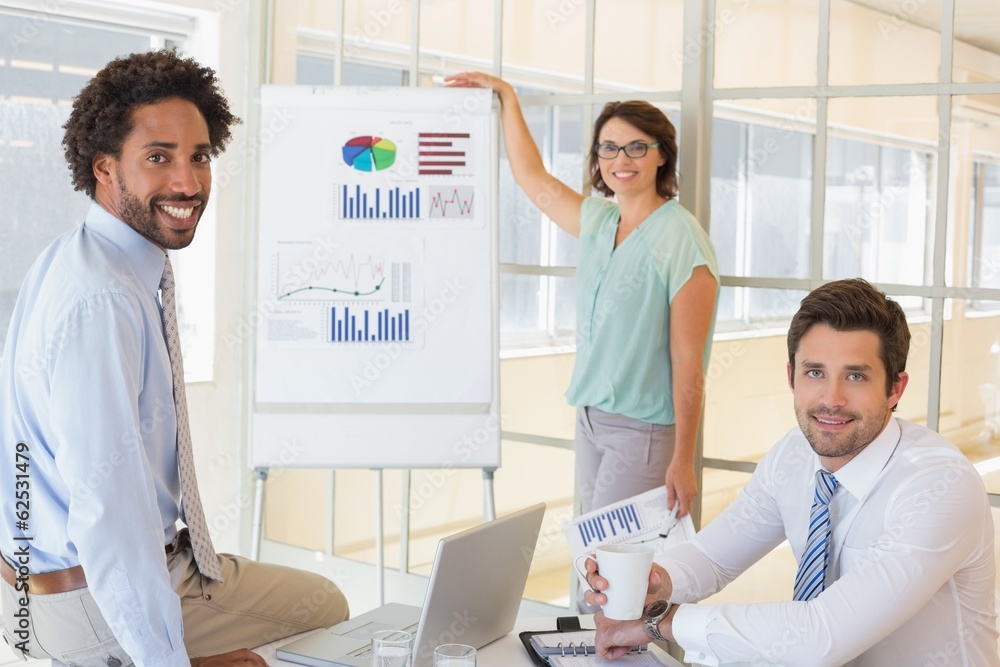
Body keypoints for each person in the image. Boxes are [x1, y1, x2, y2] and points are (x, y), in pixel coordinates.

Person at [0, 50, 348, 666]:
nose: (187, 183)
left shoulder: (78, 257)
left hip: (36, 584)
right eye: (158, 157)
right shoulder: (102, 300)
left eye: (199, 156)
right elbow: (109, 511)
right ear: (104, 168)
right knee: (321, 608)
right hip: (85, 604)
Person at [584, 278, 999, 666]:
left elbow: (821, 634)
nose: (831, 399)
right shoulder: (794, 456)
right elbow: (713, 557)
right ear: (791, 377)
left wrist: (657, 623)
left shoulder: (937, 487)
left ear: (895, 389)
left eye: (855, 376)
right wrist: (655, 583)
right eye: (815, 372)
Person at [445, 73, 719, 519]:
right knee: (593, 560)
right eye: (608, 147)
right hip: (590, 420)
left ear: (661, 155)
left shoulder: (680, 238)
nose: (620, 159)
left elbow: (690, 363)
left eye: (636, 147)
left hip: (643, 430)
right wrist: (507, 95)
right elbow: (531, 178)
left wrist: (683, 458)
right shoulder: (598, 221)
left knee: (612, 568)